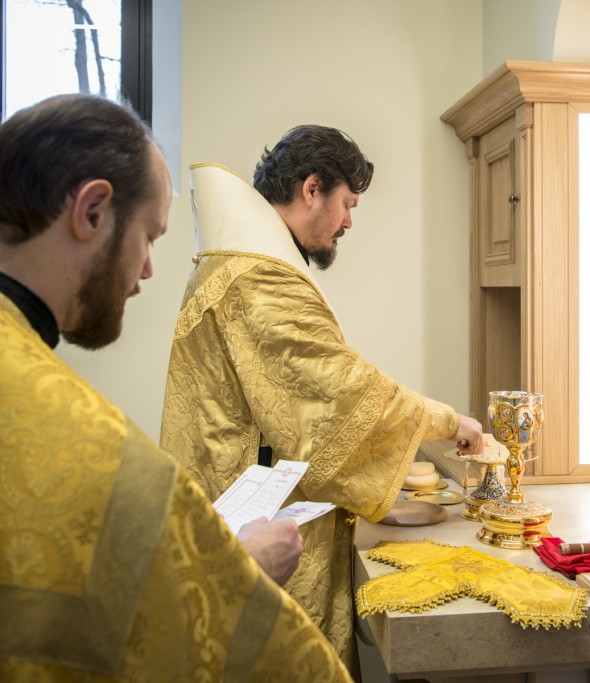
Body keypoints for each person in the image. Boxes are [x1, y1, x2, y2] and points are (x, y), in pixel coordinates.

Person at [0, 94, 352, 682]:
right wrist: (239, 572)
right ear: (91, 210)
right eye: (149, 236)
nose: (146, 271)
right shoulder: (76, 436)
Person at [159, 125, 484, 672]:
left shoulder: (240, 264)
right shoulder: (259, 276)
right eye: (347, 203)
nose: (349, 221)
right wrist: (448, 420)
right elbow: (339, 394)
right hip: (257, 530)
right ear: (312, 189)